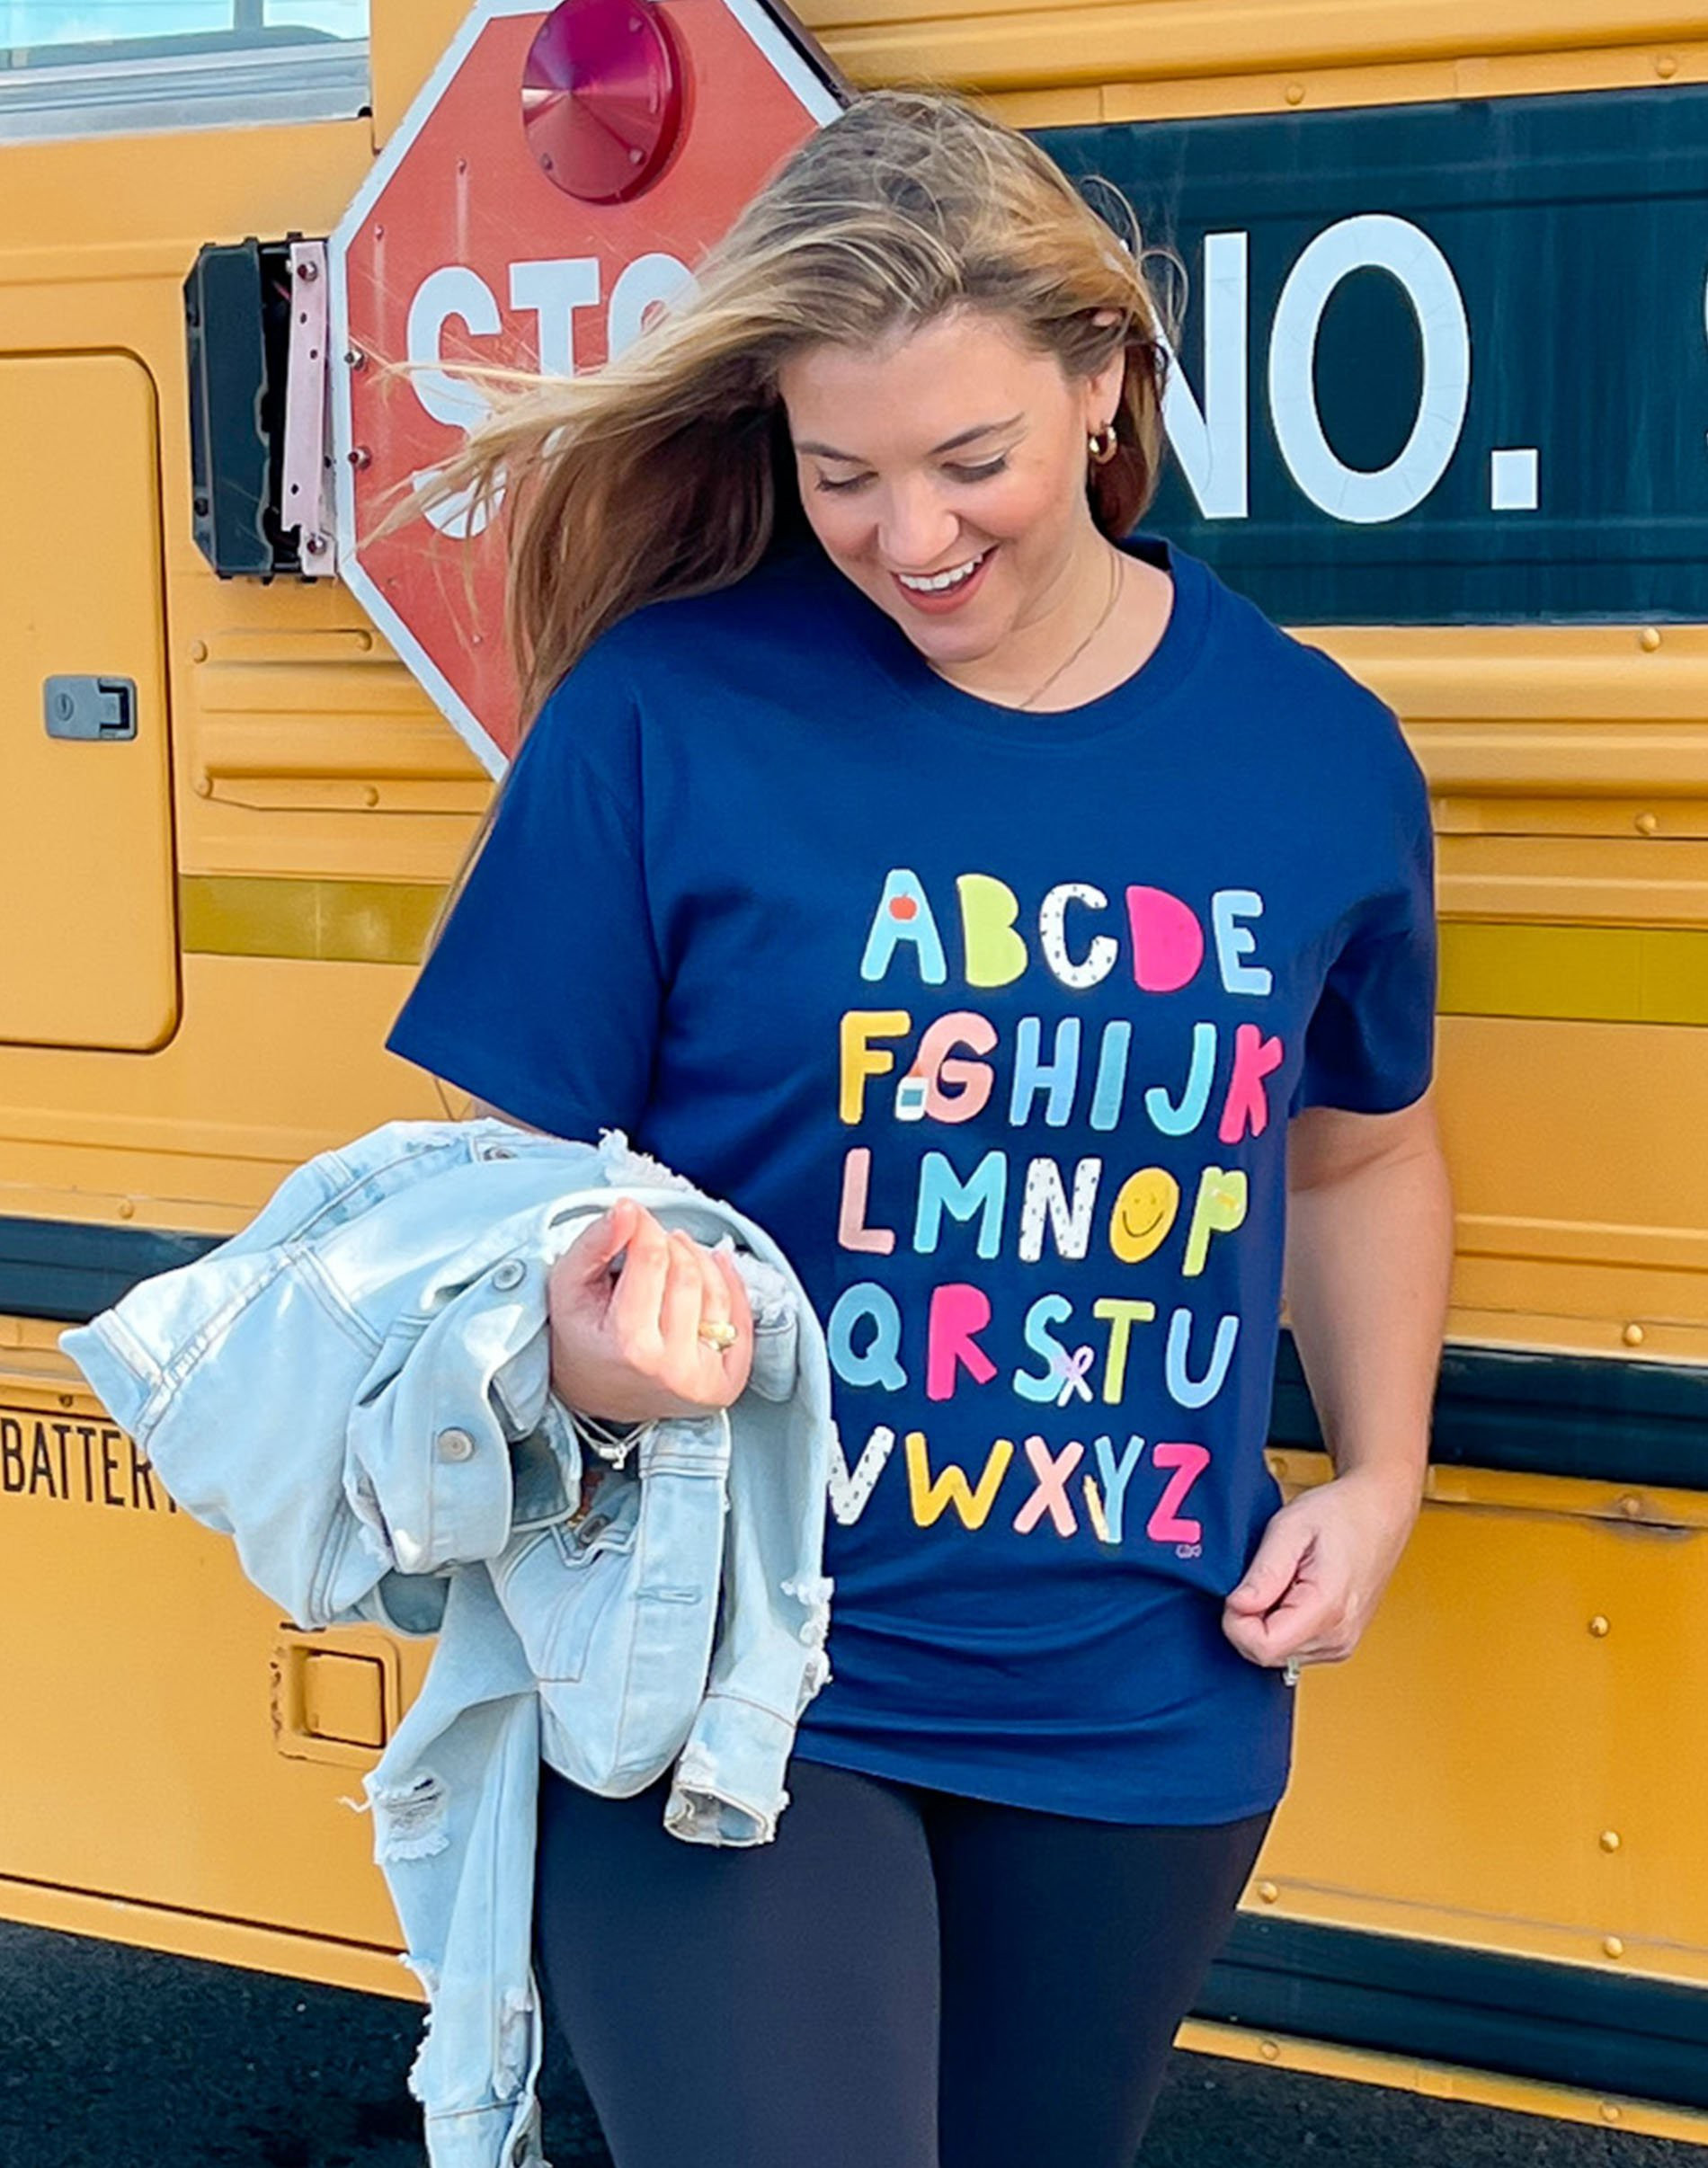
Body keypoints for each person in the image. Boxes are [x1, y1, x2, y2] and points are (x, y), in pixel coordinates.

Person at [381, 85, 1454, 2168]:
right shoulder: (670, 716)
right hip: (723, 1660)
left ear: (1103, 380)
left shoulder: (1310, 756)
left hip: (1138, 1698)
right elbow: (478, 1201)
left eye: (969, 462)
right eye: (840, 474)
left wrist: (1383, 1476)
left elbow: (1356, 1151)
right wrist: (584, 1346)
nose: (909, 536)